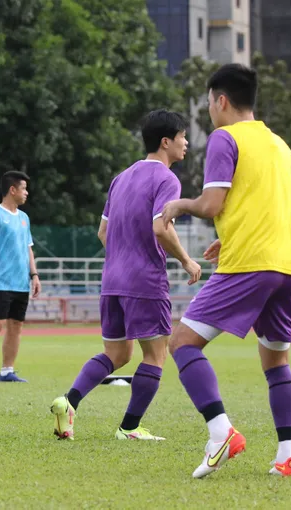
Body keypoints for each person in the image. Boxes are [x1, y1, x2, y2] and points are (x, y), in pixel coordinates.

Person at [161, 64, 291, 478]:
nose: (209, 111)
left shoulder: (225, 138)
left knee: (183, 343)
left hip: (251, 264)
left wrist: (179, 205)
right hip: (288, 265)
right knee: (276, 361)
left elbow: (210, 205)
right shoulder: (281, 146)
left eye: (208, 103)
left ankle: (220, 430)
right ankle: (287, 457)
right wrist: (234, 235)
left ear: (221, 100)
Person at [50, 110, 201, 441]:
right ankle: (129, 428)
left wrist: (123, 255)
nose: (186, 143)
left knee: (117, 354)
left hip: (112, 281)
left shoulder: (122, 177)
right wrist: (187, 261)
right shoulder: (167, 179)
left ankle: (68, 402)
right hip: (144, 282)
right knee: (156, 355)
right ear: (166, 142)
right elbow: (161, 227)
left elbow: (103, 232)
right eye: (182, 136)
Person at [0, 171, 41, 384]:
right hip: (1, 281)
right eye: (24, 188)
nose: (26, 193)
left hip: (21, 283)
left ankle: (7, 371)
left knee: (16, 327)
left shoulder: (24, 218)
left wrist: (34, 275)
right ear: (12, 190)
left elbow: (28, 249)